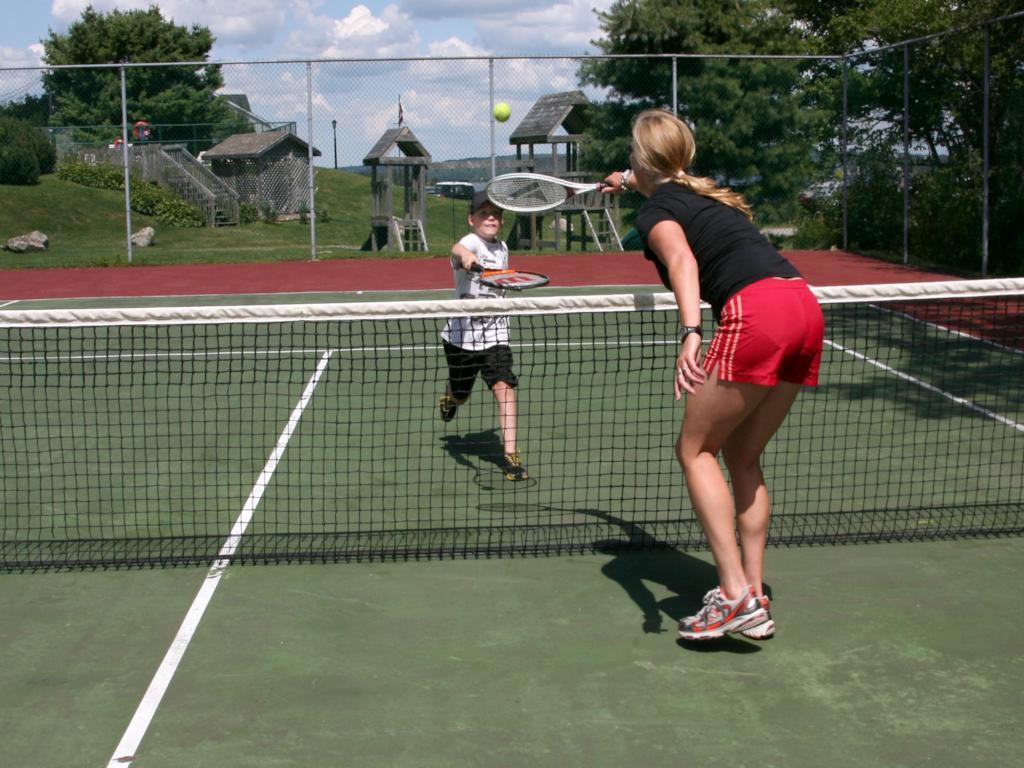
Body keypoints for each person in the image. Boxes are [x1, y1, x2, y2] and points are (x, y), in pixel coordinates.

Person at [601, 109, 824, 641]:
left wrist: (691, 331)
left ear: (642, 158)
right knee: (742, 456)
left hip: (756, 315)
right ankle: (754, 593)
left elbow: (681, 261)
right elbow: (659, 187)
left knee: (694, 450)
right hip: (804, 307)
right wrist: (626, 181)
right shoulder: (704, 196)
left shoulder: (656, 215)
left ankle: (731, 596)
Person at [438, 190, 528, 481]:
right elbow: (457, 249)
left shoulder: (502, 248)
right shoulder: (471, 241)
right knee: (462, 395)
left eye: (496, 214)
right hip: (462, 338)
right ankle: (451, 395)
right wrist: (465, 257)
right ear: (471, 219)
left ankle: (511, 456)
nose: (491, 217)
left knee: (504, 387)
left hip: (495, 334)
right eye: (483, 213)